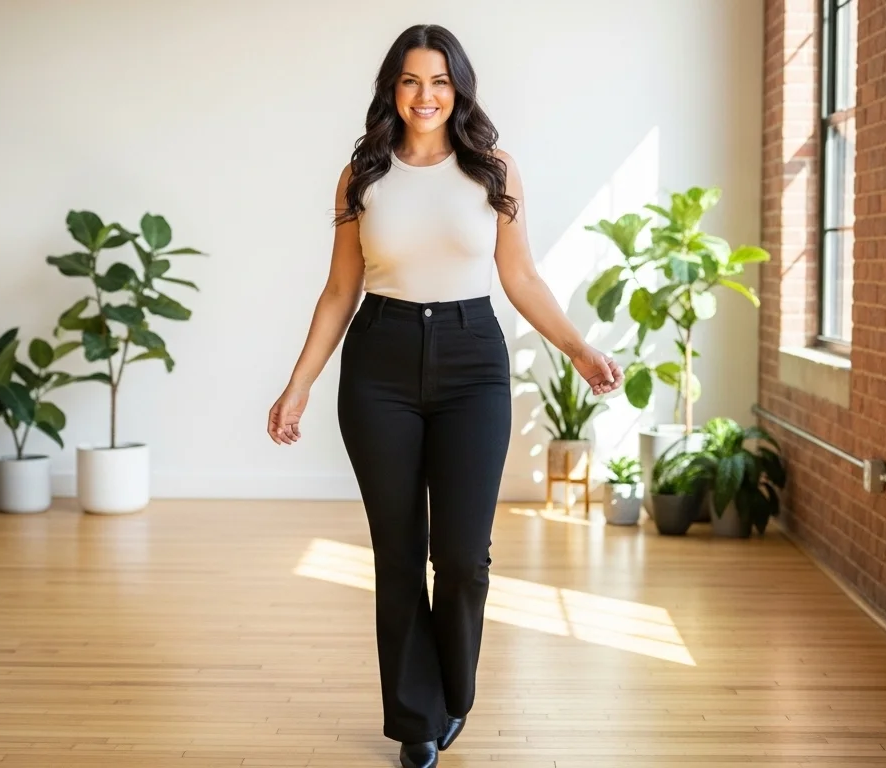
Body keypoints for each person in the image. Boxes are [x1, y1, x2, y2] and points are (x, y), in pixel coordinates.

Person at [266, 23, 624, 768]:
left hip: (472, 362)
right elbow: (340, 289)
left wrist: (579, 347)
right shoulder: (361, 174)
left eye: (438, 81)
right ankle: (416, 721)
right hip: (380, 365)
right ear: (390, 90)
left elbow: (519, 277)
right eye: (409, 81)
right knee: (398, 554)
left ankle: (455, 692)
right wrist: (298, 384)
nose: (424, 96)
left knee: (461, 555)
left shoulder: (493, 169)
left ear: (457, 87)